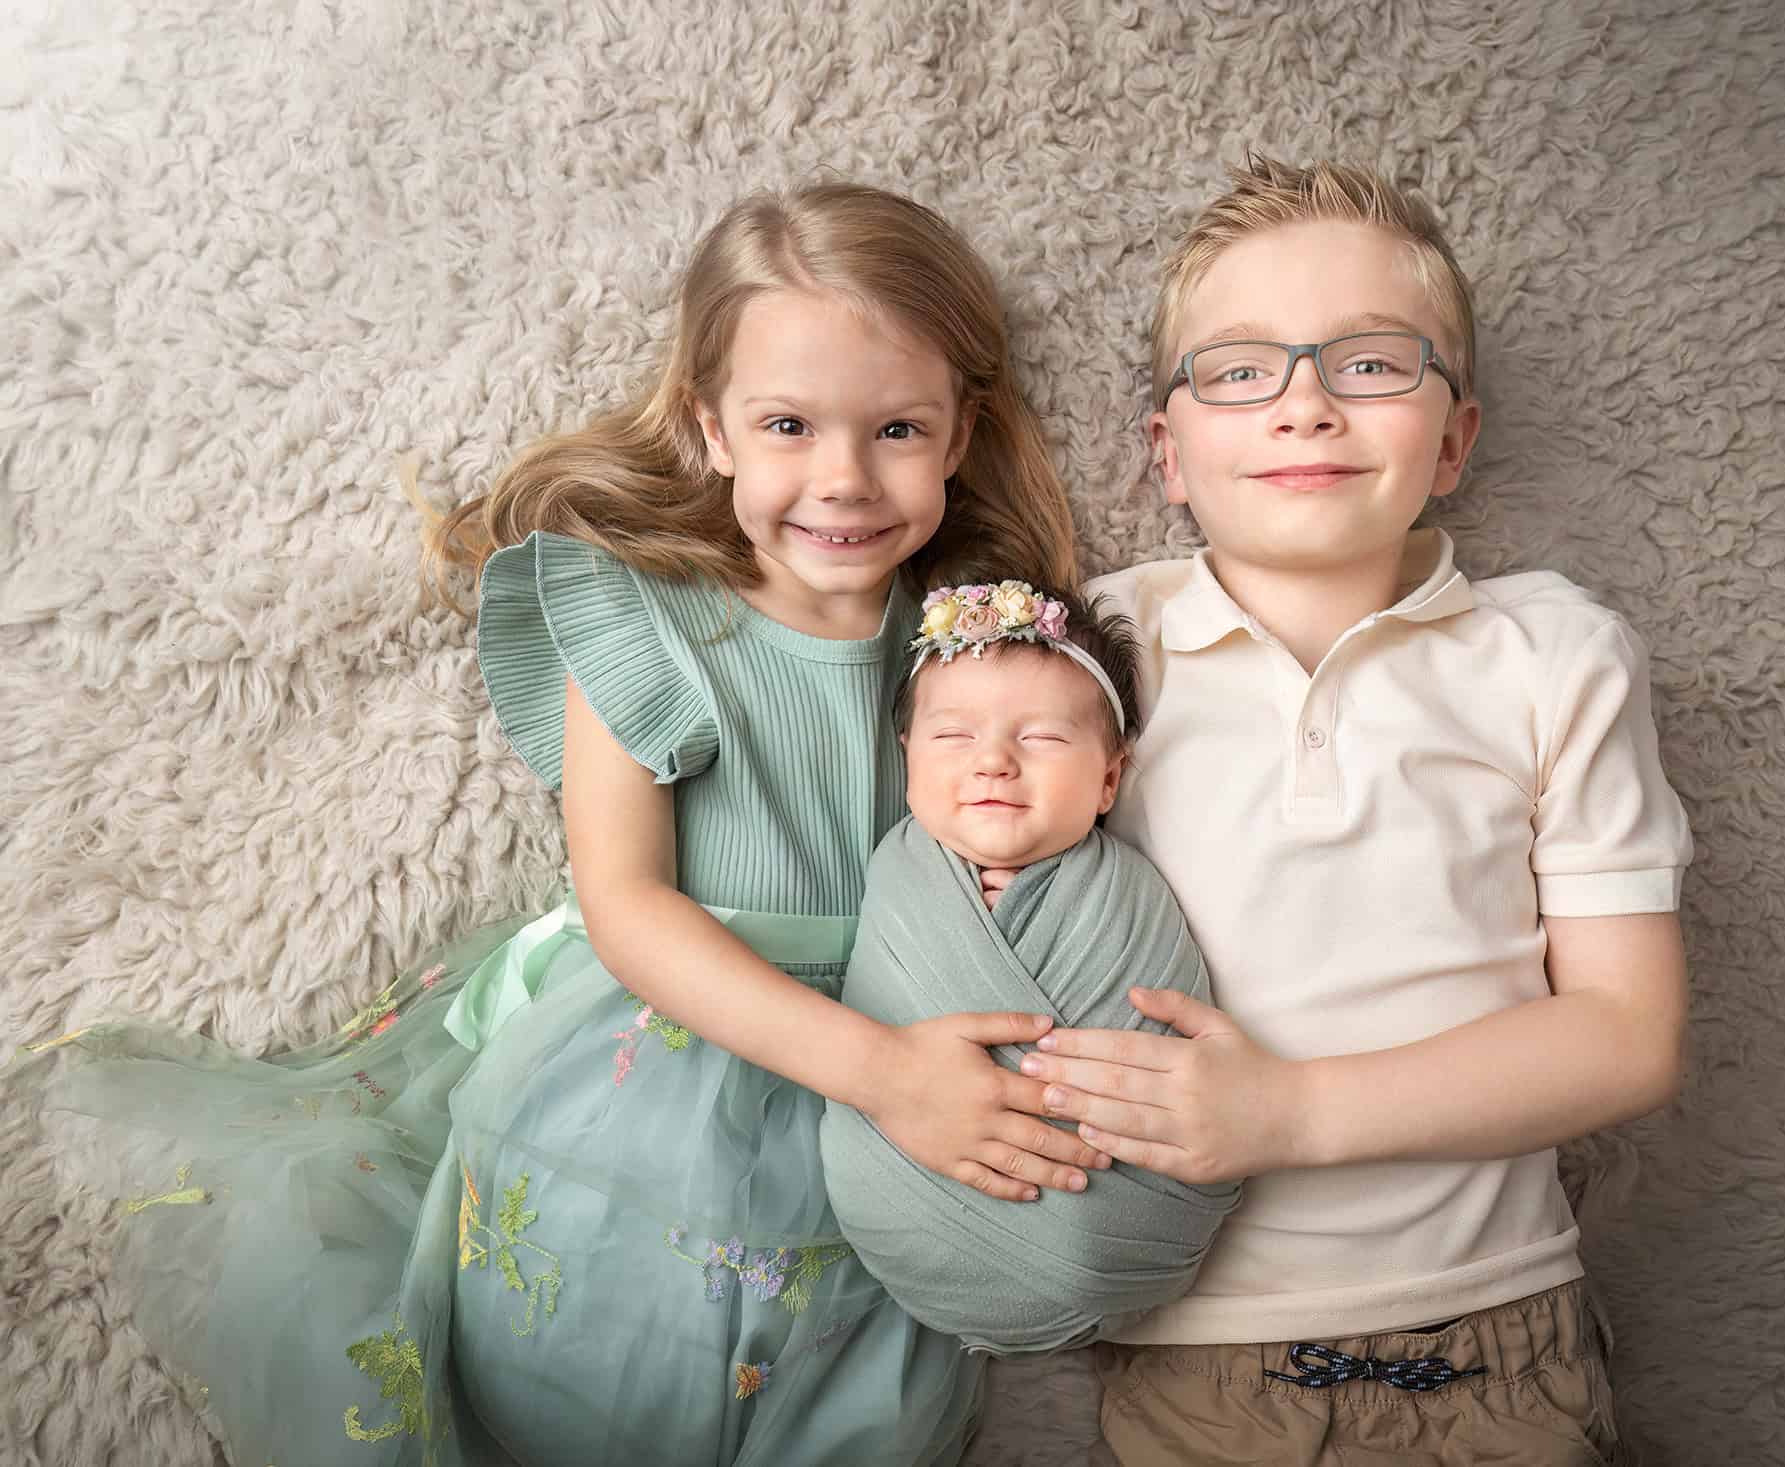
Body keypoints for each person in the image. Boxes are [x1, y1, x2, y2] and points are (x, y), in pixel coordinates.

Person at [15, 182, 1104, 1467]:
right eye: (787, 426)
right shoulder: (649, 617)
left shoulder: (968, 643)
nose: (843, 479)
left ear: (960, 432)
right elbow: (625, 905)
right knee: (589, 1385)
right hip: (675, 1058)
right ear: (708, 428)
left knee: (861, 1403)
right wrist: (877, 1073)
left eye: (898, 430)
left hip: (890, 1069)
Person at [1017, 156, 1695, 1466]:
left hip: (1495, 1338)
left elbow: (1628, 1033)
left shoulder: (1552, 655)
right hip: (1196, 1352)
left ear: (1453, 440)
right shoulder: (1095, 646)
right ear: (1166, 452)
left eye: (1372, 363)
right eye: (1238, 369)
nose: (1304, 405)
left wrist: (1292, 1113)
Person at [820, 580, 1240, 1354]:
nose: (993, 762)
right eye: (953, 736)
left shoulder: (1133, 893)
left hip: (1123, 1228)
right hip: (905, 1212)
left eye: (1041, 737)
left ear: (1109, 778)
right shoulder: (897, 873)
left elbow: (1170, 1047)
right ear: (906, 758)